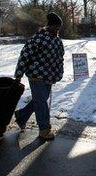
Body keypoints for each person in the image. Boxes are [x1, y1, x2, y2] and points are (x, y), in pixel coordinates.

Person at [14, 12, 64, 140]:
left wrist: (57, 75)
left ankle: (21, 116)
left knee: (39, 100)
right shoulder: (38, 38)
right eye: (56, 26)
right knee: (41, 102)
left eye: (59, 27)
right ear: (49, 26)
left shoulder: (57, 41)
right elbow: (25, 55)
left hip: (49, 76)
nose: (58, 29)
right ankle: (44, 129)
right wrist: (19, 74)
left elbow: (60, 59)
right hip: (36, 75)